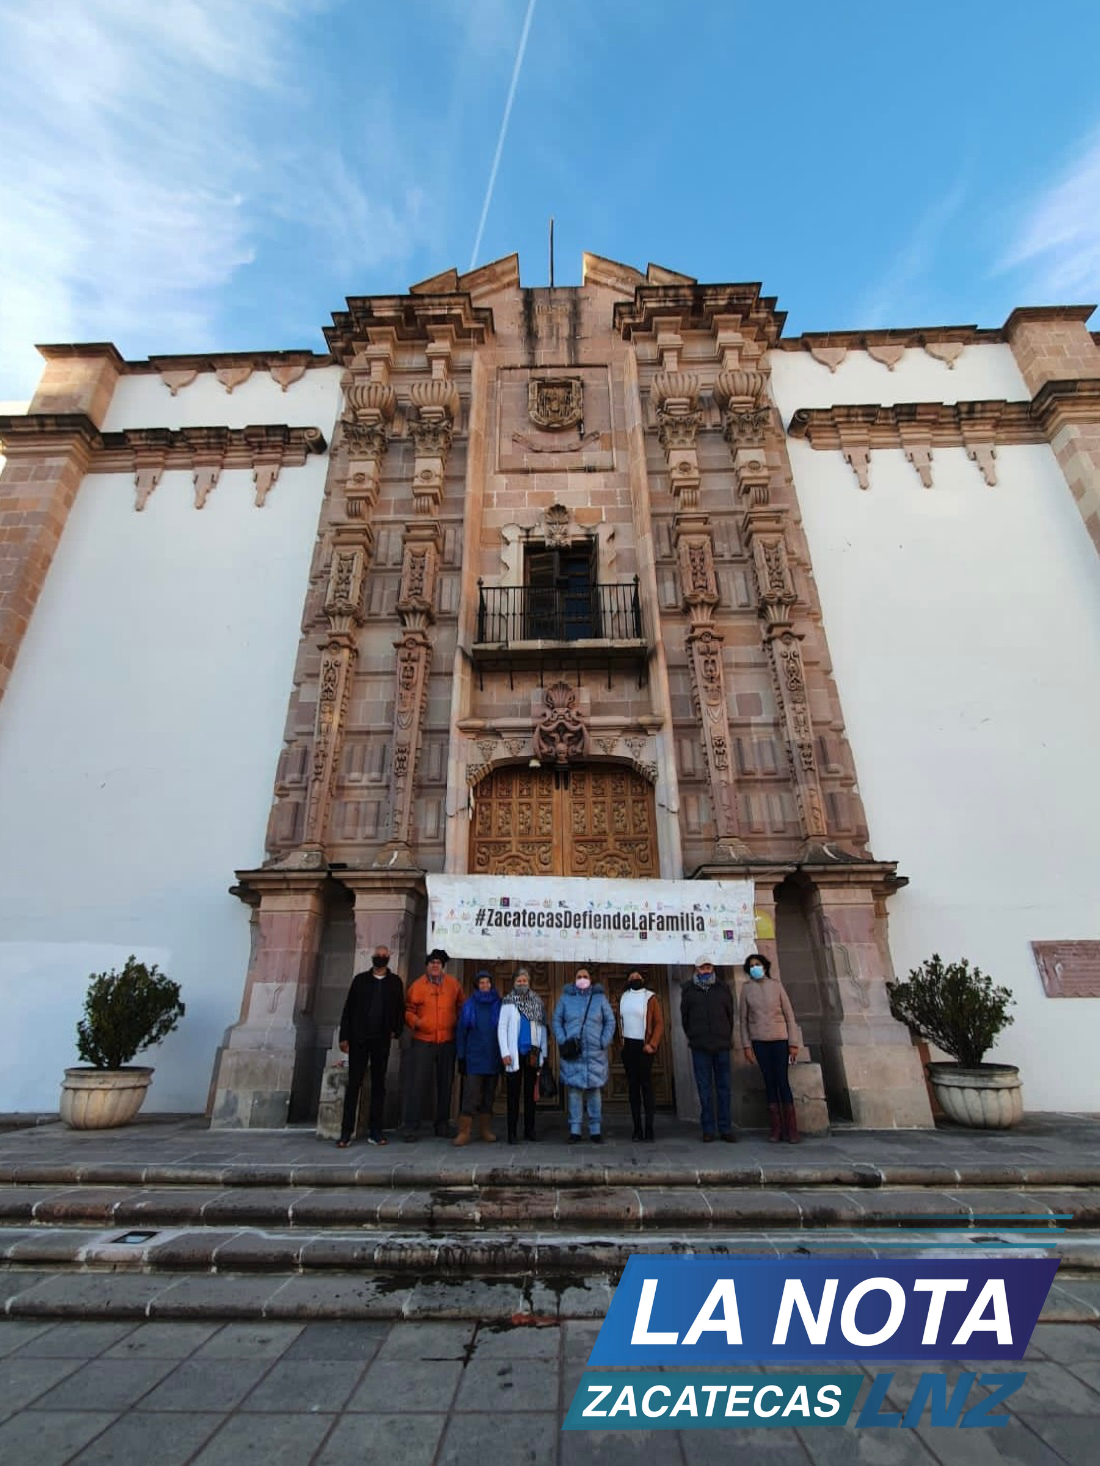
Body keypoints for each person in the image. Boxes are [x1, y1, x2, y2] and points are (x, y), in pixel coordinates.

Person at [335, 945, 405, 1148]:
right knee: (354, 1085)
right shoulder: (360, 980)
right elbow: (349, 1008)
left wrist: (396, 1030)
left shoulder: (394, 982)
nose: (380, 958)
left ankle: (376, 1130)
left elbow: (400, 1009)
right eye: (378, 955)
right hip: (359, 1039)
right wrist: (344, 1036)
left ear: (389, 958)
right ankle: (346, 1131)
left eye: (384, 955)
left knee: (378, 1086)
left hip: (381, 1039)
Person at [403, 948, 464, 1141]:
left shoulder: (453, 984)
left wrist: (457, 1024)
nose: (435, 966)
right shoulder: (417, 986)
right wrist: (417, 1023)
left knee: (446, 1084)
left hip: (447, 1040)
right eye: (432, 963)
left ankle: (442, 1124)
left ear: (443, 966)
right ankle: (412, 1126)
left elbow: (461, 1006)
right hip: (423, 1041)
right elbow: (408, 1010)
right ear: (427, 966)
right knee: (417, 1084)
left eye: (438, 963)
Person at [739, 951, 801, 1144]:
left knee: (782, 1080)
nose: (754, 968)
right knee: (769, 1081)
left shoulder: (776, 986)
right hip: (759, 1040)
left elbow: (789, 1014)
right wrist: (746, 1045)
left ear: (764, 966)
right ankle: (776, 1128)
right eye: (751, 966)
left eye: (757, 964)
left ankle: (791, 1129)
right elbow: (743, 1020)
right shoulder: (746, 989)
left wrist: (793, 1042)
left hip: (779, 1038)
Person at [552, 966, 615, 1144]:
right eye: (579, 976)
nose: (582, 979)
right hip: (574, 1051)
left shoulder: (599, 998)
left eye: (585, 976)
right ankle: (575, 1129)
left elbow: (610, 1020)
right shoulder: (565, 999)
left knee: (594, 1090)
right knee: (574, 1091)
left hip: (595, 1051)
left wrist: (604, 1040)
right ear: (574, 979)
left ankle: (595, 1129)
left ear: (590, 979)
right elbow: (556, 1020)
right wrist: (563, 1039)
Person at [680, 955, 736, 1143]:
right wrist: (694, 1036)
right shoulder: (688, 991)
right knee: (704, 1089)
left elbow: (730, 1014)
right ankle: (708, 1128)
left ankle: (725, 1127)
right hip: (700, 1045)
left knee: (724, 1088)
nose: (705, 970)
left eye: (708, 966)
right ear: (696, 969)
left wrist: (726, 1035)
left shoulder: (723, 988)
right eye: (702, 967)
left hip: (721, 1045)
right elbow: (684, 1018)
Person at [498, 968, 548, 1144]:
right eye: (518, 980)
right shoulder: (508, 1002)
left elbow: (542, 1029)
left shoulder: (537, 1001)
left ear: (529, 982)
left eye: (524, 980)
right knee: (513, 1095)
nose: (522, 983)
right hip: (514, 1055)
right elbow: (502, 1028)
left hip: (532, 1054)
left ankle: (530, 1129)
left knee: (530, 1095)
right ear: (514, 983)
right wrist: (505, 1052)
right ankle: (512, 1132)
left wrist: (543, 1054)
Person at [454, 970, 503, 1146]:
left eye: (487, 983)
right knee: (471, 1095)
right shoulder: (469, 1005)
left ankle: (485, 1129)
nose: (485, 986)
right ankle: (464, 1131)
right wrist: (461, 1056)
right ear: (477, 985)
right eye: (481, 983)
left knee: (489, 1095)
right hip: (474, 1057)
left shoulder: (499, 1004)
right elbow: (461, 1032)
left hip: (493, 1057)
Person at [617, 967, 664, 1142]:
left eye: (637, 975)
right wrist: (621, 1044)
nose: (635, 977)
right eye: (632, 975)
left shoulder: (650, 997)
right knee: (633, 1087)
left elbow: (659, 1023)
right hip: (628, 1046)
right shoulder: (623, 997)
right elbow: (619, 1020)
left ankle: (649, 1127)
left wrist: (652, 1044)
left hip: (644, 1046)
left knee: (646, 1086)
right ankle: (637, 1128)